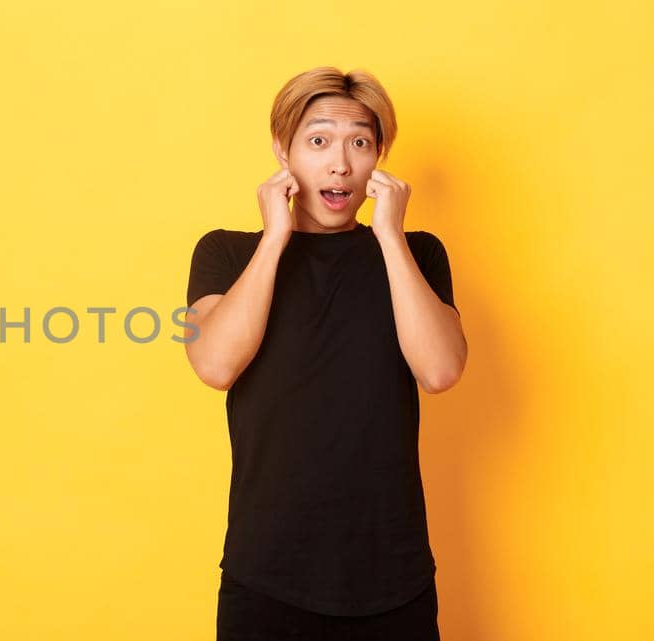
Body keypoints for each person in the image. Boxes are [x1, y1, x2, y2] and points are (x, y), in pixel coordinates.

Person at [183, 67, 467, 640]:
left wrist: (388, 236)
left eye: (359, 142)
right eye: (318, 141)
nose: (340, 163)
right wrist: (274, 238)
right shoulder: (227, 253)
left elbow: (439, 371)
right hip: (266, 574)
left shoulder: (417, 254)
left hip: (395, 575)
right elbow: (214, 365)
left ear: (379, 156)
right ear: (282, 150)